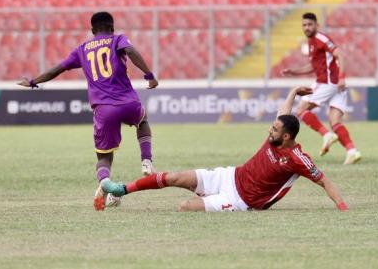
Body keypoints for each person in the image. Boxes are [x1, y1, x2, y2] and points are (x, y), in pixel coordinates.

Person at [96, 87, 349, 212]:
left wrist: (342, 208)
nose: (269, 131)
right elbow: (283, 112)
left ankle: (206, 202)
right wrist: (294, 91)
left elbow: (325, 181)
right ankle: (122, 190)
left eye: (274, 130)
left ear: (287, 136)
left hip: (239, 200)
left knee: (185, 207)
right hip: (229, 175)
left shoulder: (297, 158)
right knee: (172, 177)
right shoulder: (277, 135)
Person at [17, 12, 159, 210]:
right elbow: (132, 51)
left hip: (103, 108)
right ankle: (146, 161)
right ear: (112, 28)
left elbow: (57, 69)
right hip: (127, 102)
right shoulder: (118, 39)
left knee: (104, 156)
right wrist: (149, 75)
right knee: (142, 121)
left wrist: (33, 82)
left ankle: (105, 182)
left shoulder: (82, 49)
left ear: (92, 31)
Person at [281, 12, 362, 165]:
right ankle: (352, 151)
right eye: (304, 25)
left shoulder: (321, 39)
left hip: (327, 83)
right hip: (335, 86)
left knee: (301, 110)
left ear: (317, 25)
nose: (307, 27)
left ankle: (326, 135)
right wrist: (294, 72)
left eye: (310, 24)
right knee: (335, 121)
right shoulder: (311, 42)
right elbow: (313, 66)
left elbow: (340, 54)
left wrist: (342, 76)